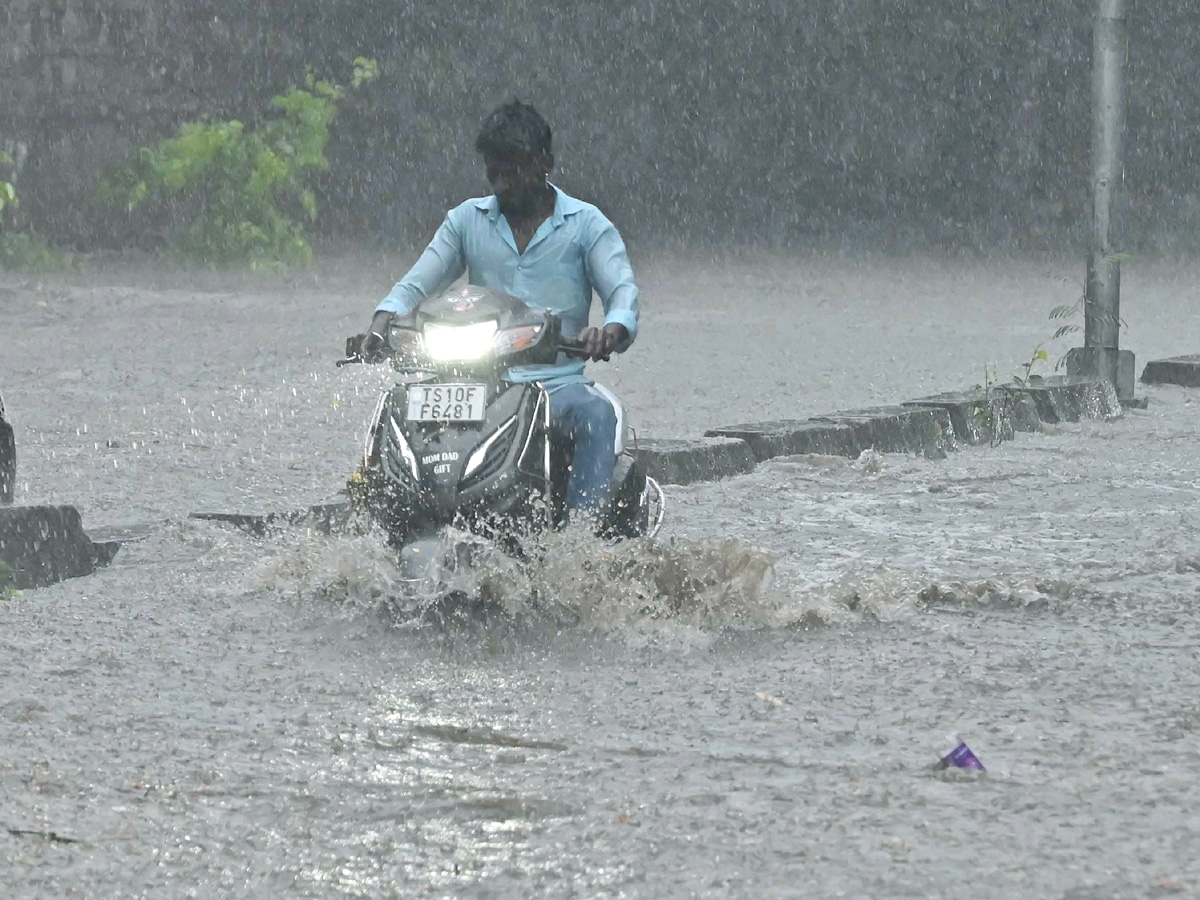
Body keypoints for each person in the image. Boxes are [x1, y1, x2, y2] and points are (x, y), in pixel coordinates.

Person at [363, 100, 639, 516]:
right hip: (471, 385)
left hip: (554, 385)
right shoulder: (465, 221)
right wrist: (381, 324)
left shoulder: (587, 225)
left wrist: (610, 331)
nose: (502, 183)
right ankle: (382, 525)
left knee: (596, 415)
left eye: (514, 170)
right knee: (397, 409)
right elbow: (416, 284)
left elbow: (622, 293)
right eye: (494, 171)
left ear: (545, 162)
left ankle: (582, 544)